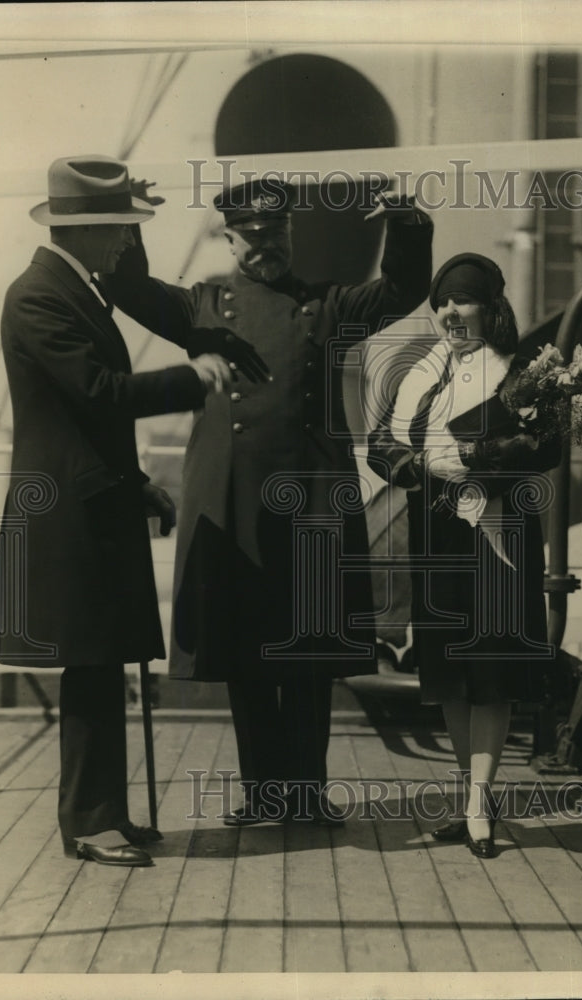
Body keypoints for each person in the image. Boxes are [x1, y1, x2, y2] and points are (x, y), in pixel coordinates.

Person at [105, 177, 433, 826]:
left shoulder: (328, 303)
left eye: (275, 235)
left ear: (290, 233)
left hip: (311, 499)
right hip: (234, 500)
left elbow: (401, 291)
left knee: (310, 654)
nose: (265, 248)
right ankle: (264, 794)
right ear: (228, 238)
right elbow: (129, 289)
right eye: (251, 238)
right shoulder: (202, 303)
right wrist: (130, 217)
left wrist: (404, 221)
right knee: (246, 650)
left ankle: (306, 794)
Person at [0, 154, 231, 867]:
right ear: (85, 229)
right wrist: (193, 377)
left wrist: (139, 486)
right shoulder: (38, 295)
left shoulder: (76, 289)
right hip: (67, 517)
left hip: (91, 504)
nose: (126, 242)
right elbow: (97, 392)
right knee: (91, 665)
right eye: (120, 228)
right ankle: (91, 823)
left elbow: (84, 418)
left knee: (101, 665)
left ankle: (106, 815)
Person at [367, 253, 560, 858]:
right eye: (443, 301)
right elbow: (381, 443)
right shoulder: (422, 373)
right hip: (438, 528)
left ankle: (479, 805)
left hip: (498, 533)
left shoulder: (523, 371)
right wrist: (414, 463)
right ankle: (472, 796)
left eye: (464, 299)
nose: (451, 311)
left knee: (491, 671)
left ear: (491, 306)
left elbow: (546, 444)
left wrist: (473, 459)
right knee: (449, 668)